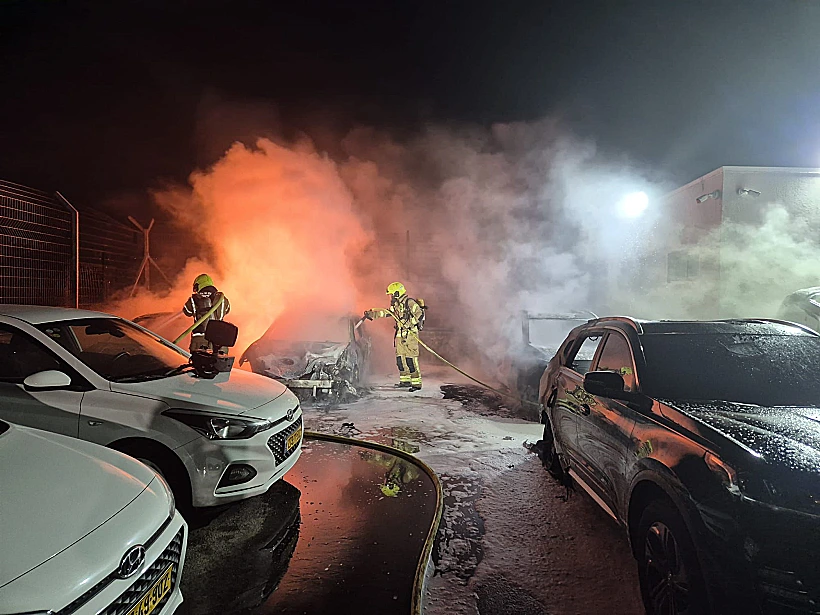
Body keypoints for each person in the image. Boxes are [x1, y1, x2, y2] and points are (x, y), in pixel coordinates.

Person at [364, 282, 425, 391]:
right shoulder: (396, 305)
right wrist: (372, 314)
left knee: (410, 359)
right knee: (400, 359)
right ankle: (405, 380)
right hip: (400, 335)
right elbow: (387, 313)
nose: (391, 297)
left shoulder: (409, 303)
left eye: (392, 294)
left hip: (410, 335)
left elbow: (419, 313)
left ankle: (416, 383)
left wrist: (410, 323)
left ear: (397, 293)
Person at [182, 273, 231, 353]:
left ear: (197, 286)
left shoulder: (193, 299)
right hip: (218, 340)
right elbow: (227, 310)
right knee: (217, 360)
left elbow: (187, 312)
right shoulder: (222, 299)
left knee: (199, 360)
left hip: (200, 340)